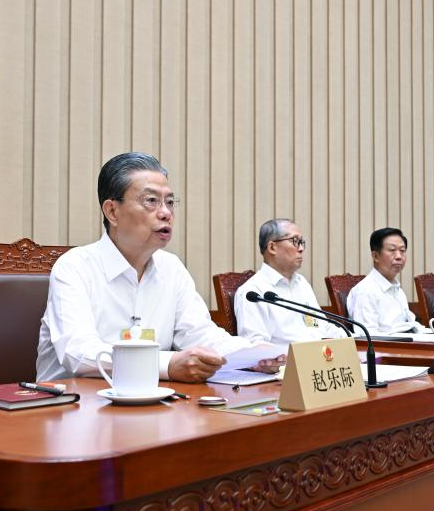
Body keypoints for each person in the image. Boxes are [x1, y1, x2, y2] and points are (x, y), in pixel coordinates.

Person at [36, 152, 279, 383]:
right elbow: (78, 354)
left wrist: (256, 356)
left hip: (150, 403)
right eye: (151, 201)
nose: (165, 213)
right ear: (112, 211)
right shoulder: (75, 267)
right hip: (72, 408)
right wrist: (167, 365)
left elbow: (202, 335)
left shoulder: (171, 268)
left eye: (170, 202)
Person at [234, 219, 349, 347]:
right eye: (294, 241)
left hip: (320, 358)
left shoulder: (302, 283)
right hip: (287, 364)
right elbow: (255, 345)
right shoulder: (254, 292)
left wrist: (357, 340)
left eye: (301, 242)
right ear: (272, 247)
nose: (301, 249)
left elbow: (323, 327)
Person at [346, 227, 426, 334]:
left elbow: (410, 324)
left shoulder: (397, 290)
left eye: (402, 250)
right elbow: (368, 336)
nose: (399, 256)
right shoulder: (365, 291)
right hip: (391, 349)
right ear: (375, 256)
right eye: (392, 250)